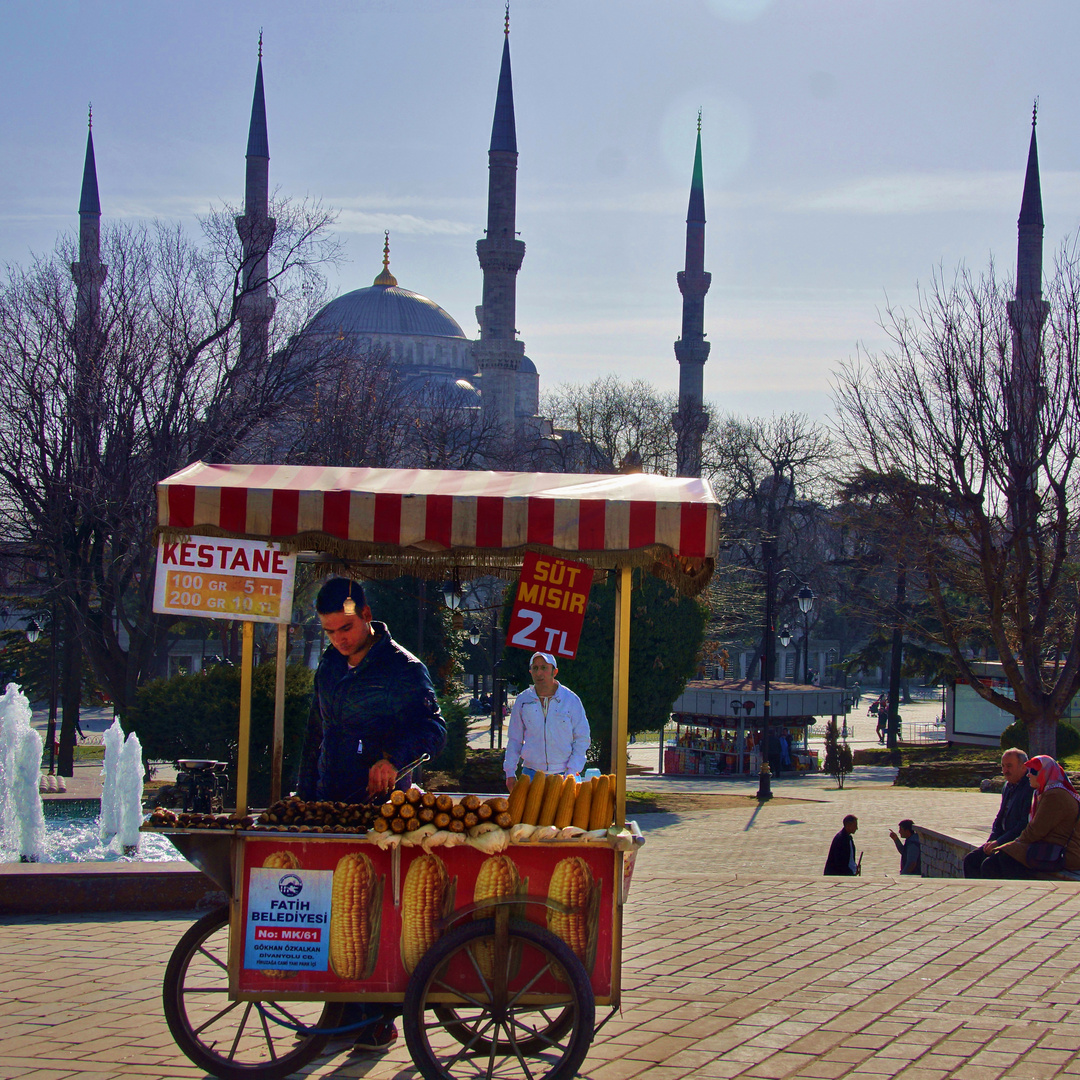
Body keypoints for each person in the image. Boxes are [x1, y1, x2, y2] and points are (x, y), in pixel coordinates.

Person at [297, 578, 446, 1054]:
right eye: (329, 632)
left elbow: (433, 729)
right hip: (330, 804)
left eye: (345, 627)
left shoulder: (403, 667)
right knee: (333, 912)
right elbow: (316, 731)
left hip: (382, 811)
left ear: (365, 614)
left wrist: (392, 760)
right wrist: (304, 797)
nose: (339, 639)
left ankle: (378, 1019)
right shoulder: (330, 666)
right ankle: (340, 1012)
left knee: (374, 911)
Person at [980, 755, 1080, 880]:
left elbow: (1036, 831)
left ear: (1045, 773)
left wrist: (1010, 846)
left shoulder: (1055, 795)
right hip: (1048, 847)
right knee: (991, 861)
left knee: (997, 862)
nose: (1028, 775)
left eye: (1033, 771)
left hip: (1062, 854)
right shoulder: (1048, 791)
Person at [503, 652, 590, 792]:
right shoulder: (523, 700)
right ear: (530, 671)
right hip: (531, 773)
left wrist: (572, 771)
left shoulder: (570, 700)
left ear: (554, 672)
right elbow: (514, 739)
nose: (539, 673)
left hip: (564, 773)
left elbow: (582, 738)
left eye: (544, 668)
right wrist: (510, 772)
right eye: (535, 668)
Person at [962, 748, 1033, 878]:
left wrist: (999, 842)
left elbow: (1023, 824)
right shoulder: (1008, 786)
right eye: (1003, 766)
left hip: (1017, 844)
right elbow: (1000, 818)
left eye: (1009, 766)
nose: (1005, 771)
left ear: (1023, 767)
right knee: (971, 860)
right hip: (1002, 840)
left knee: (989, 866)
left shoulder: (1030, 787)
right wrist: (992, 840)